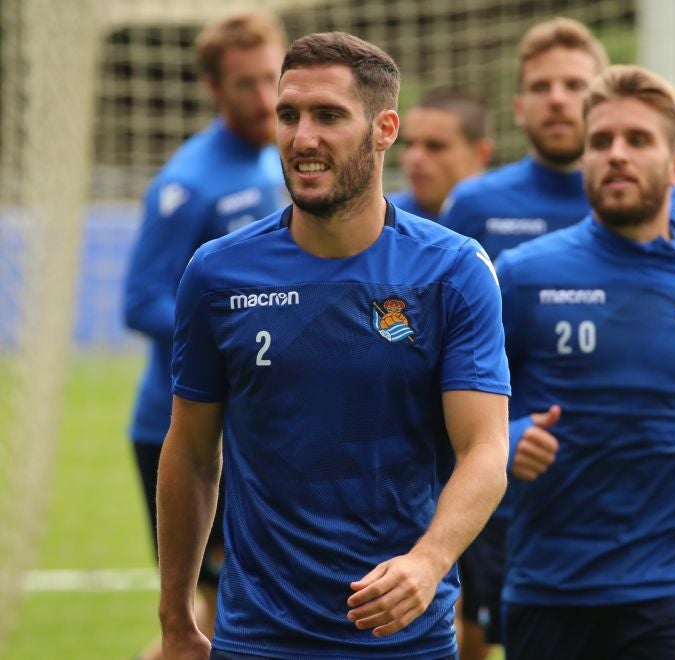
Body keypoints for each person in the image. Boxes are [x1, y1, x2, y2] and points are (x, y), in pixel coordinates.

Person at [156, 31, 510, 660]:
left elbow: (484, 448)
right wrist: (175, 614)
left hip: (402, 639)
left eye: (329, 116)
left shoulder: (453, 271)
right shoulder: (217, 273)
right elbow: (189, 452)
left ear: (384, 129)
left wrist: (428, 563)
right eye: (288, 116)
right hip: (259, 639)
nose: (302, 137)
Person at [495, 64, 675, 660]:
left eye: (637, 140)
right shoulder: (521, 275)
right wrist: (510, 438)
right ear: (584, 159)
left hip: (672, 582)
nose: (616, 154)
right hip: (549, 581)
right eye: (601, 141)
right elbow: (470, 401)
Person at [122, 10, 286, 660]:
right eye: (246, 84)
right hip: (182, 429)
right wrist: (237, 335)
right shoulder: (188, 182)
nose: (265, 98)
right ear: (214, 89)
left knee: (239, 615)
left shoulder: (278, 156)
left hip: (250, 422)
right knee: (202, 627)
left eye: (273, 78)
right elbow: (140, 302)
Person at [440, 17, 675, 261]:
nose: (557, 100)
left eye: (574, 85)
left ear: (601, 101)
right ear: (519, 109)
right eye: (541, 87)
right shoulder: (473, 202)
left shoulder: (665, 198)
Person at [388, 87, 494, 220]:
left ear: (481, 154)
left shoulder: (508, 219)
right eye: (409, 144)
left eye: (435, 146)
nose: (415, 158)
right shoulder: (381, 220)